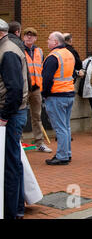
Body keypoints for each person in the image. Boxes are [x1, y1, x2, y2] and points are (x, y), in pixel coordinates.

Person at [0, 19, 29, 219]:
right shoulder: (8, 48)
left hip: (11, 112)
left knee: (10, 162)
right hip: (14, 111)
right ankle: (16, 207)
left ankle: (11, 211)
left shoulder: (7, 51)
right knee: (13, 160)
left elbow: (15, 89)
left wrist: (3, 116)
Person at [42, 31, 76, 165]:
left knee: (60, 128)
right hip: (68, 94)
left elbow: (47, 79)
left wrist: (44, 94)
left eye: (49, 39)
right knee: (66, 126)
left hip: (56, 96)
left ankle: (62, 156)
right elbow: (73, 74)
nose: (47, 42)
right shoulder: (69, 54)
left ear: (56, 42)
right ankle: (66, 153)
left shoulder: (53, 57)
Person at [22, 27, 52, 153]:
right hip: (23, 88)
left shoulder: (39, 51)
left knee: (37, 117)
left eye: (32, 35)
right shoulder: (19, 50)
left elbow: (42, 70)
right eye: (27, 35)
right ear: (23, 37)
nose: (29, 37)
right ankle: (19, 142)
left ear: (36, 38)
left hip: (36, 89)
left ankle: (39, 143)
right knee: (20, 116)